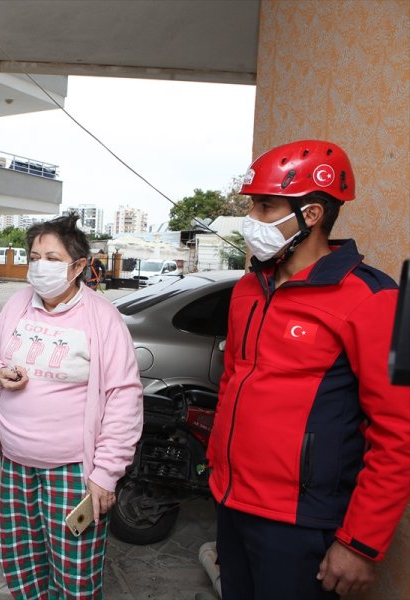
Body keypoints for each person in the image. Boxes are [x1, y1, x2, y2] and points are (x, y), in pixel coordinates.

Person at [207, 140, 410, 599]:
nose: (251, 220)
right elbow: (232, 385)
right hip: (233, 506)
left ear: (312, 215)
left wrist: (361, 543)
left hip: (302, 524)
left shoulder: (377, 300)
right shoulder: (247, 289)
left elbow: (400, 430)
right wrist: (219, 486)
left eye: (264, 206)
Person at [0, 214, 143, 598]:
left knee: (74, 569)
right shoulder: (17, 304)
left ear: (78, 266)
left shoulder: (102, 317)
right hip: (17, 466)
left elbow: (124, 398)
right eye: (34, 256)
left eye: (51, 257)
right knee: (23, 563)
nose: (39, 266)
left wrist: (106, 473)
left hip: (74, 473)